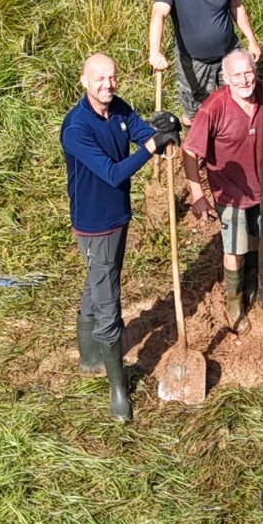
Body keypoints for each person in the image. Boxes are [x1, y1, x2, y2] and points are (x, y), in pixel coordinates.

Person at [60, 52, 179, 422]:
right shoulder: (76, 128)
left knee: (99, 277)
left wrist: (163, 129)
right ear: (83, 81)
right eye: (99, 79)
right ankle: (117, 391)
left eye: (112, 78)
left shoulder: (119, 108)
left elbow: (146, 132)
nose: (107, 85)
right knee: (108, 299)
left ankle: (90, 356)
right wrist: (151, 147)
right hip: (95, 224)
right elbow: (112, 173)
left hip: (119, 217)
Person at [182, 49, 262, 328]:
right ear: (225, 78)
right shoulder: (214, 107)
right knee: (235, 249)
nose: (244, 80)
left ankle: (254, 287)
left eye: (248, 72)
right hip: (230, 193)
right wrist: (197, 196)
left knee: (259, 240)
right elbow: (190, 152)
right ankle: (234, 305)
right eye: (237, 75)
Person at [149, 0, 260, 121]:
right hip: (194, 60)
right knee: (196, 112)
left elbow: (237, 7)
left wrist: (252, 41)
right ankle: (192, 148)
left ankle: (238, 143)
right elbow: (158, 14)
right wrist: (155, 52)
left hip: (229, 52)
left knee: (242, 99)